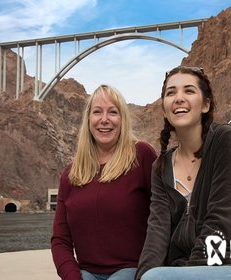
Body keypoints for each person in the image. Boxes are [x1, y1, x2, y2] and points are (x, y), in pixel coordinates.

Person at [135, 66, 231, 280]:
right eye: (171, 93)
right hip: (183, 271)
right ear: (164, 109)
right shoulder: (161, 167)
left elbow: (220, 220)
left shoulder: (225, 140)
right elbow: (157, 232)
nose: (178, 98)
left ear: (205, 104)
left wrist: (189, 271)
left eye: (189, 91)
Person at [51, 84, 157, 280]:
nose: (104, 120)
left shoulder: (142, 156)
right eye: (97, 112)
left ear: (123, 119)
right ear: (88, 119)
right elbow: (60, 240)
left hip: (132, 270)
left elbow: (162, 219)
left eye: (113, 112)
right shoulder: (70, 174)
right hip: (85, 273)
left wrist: (149, 269)